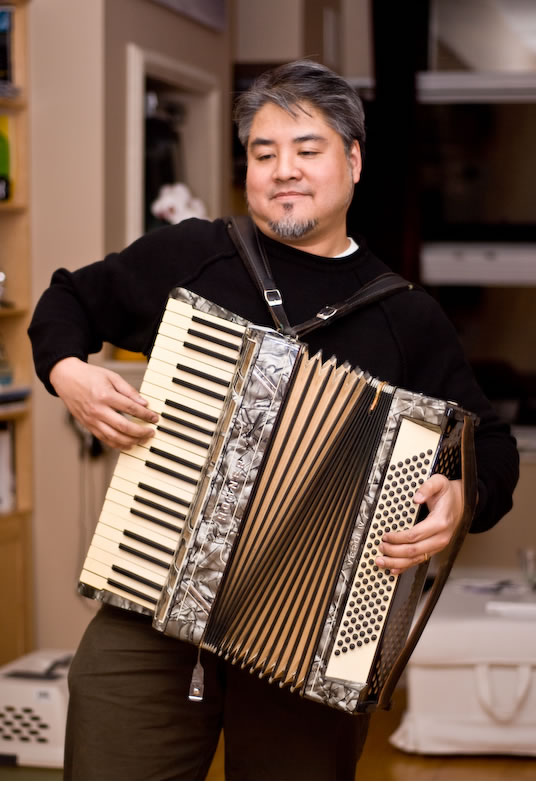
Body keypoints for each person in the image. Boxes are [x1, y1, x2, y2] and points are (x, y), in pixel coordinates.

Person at [28, 60, 519, 781]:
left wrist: (460, 498)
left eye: (307, 149)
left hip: (308, 646)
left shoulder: (404, 317)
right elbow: (68, 301)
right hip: (150, 618)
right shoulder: (194, 255)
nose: (283, 170)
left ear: (353, 161)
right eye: (264, 153)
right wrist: (68, 372)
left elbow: (493, 447)